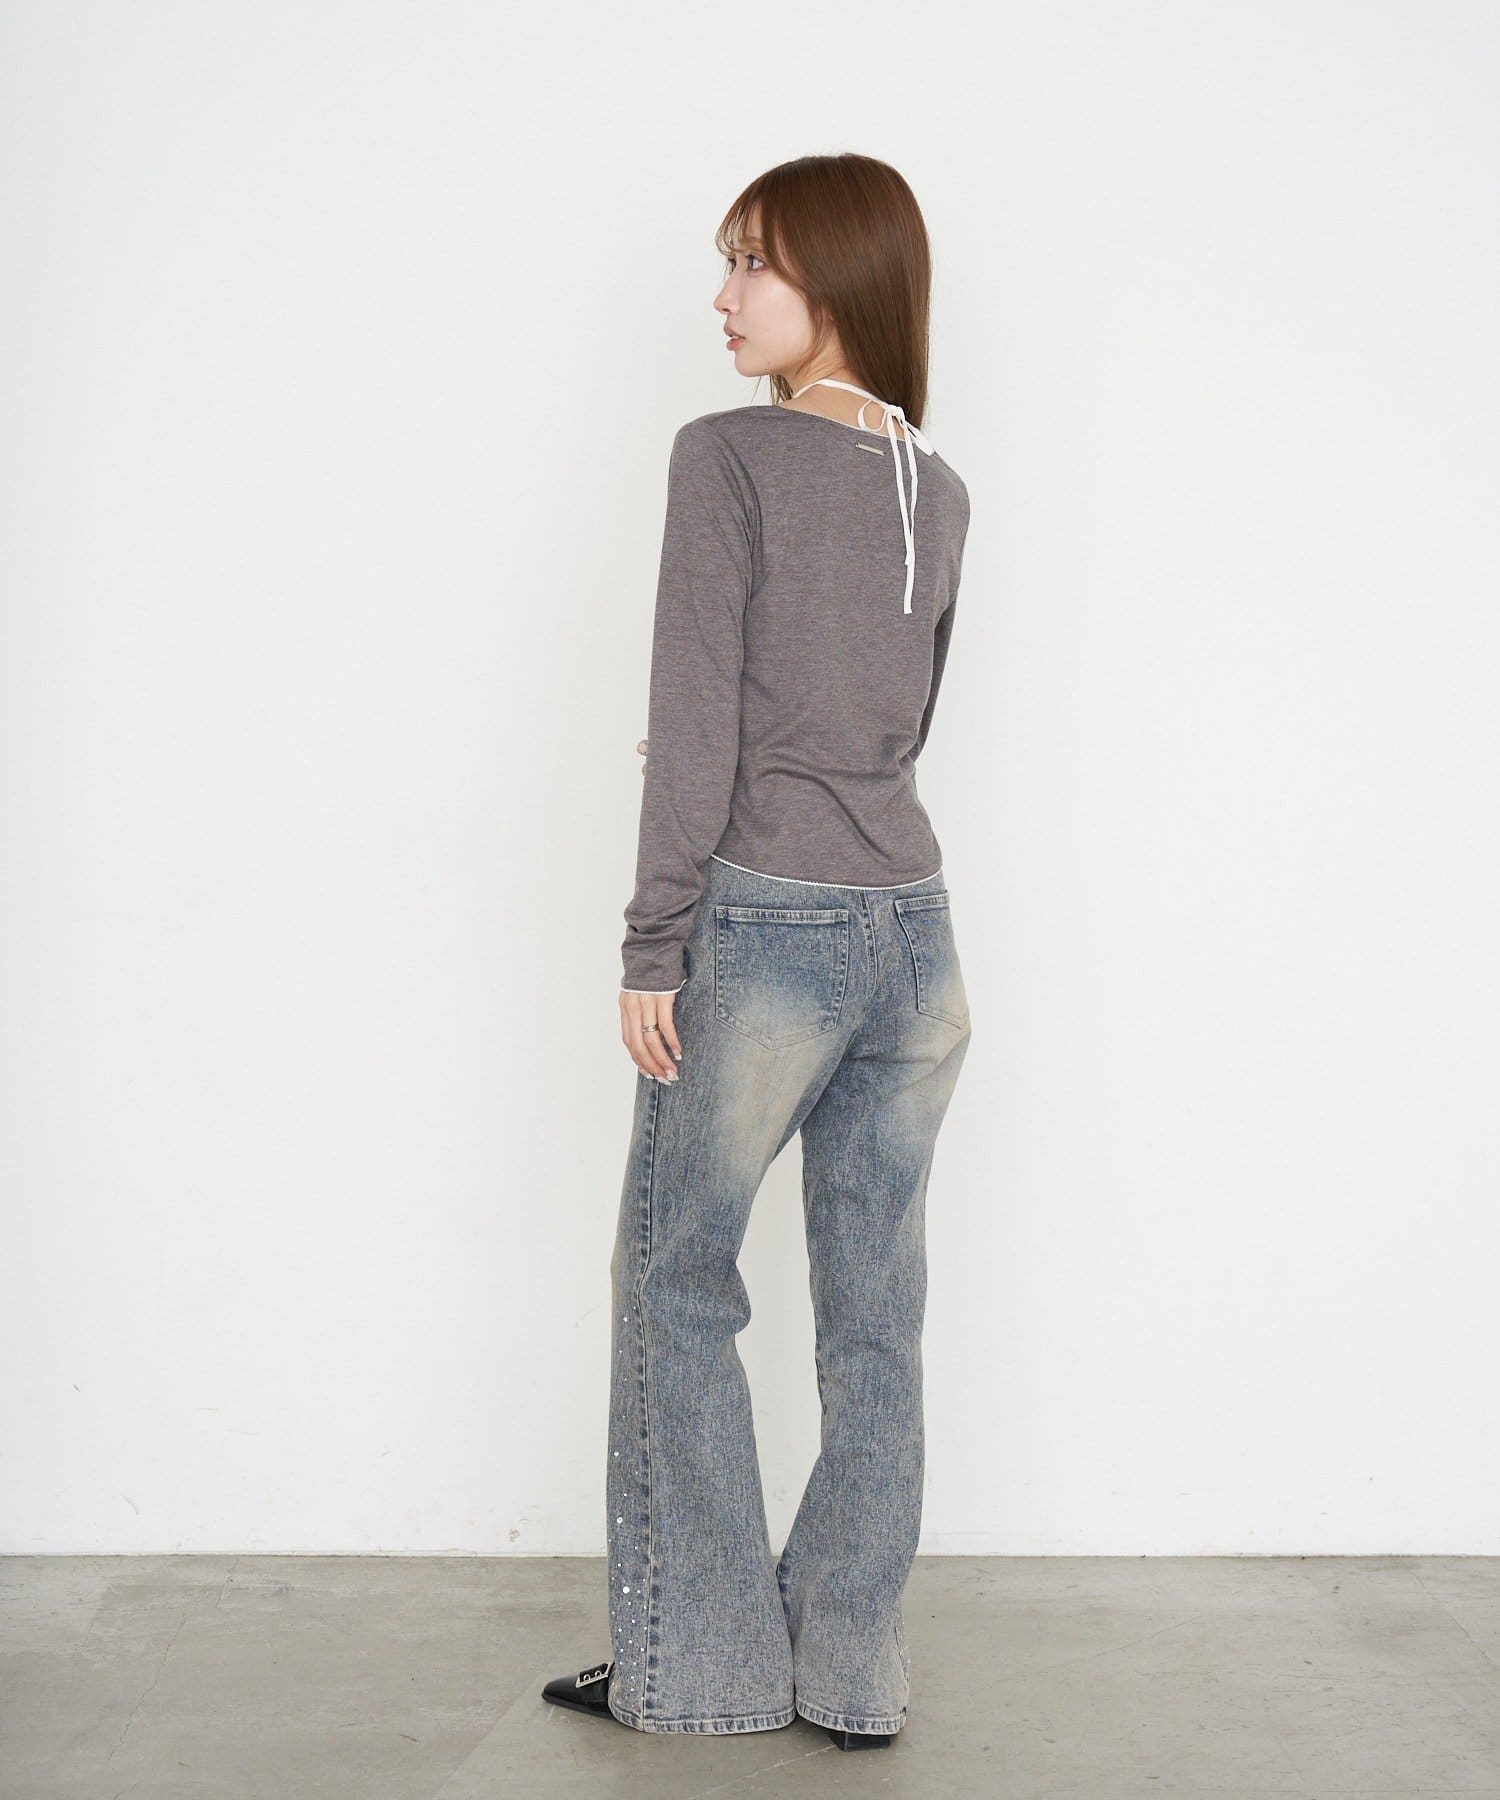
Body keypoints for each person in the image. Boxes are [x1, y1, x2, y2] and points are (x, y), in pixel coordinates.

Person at [543, 151, 973, 1751]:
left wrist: (655, 941)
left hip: (768, 926)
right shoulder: (942, 487)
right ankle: (851, 1670)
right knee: (874, 1310)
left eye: (753, 264)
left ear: (839, 281)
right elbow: (900, 725)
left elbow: (699, 721)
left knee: (676, 1281)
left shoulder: (726, 455)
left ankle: (705, 1667)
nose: (723, 298)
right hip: (917, 935)